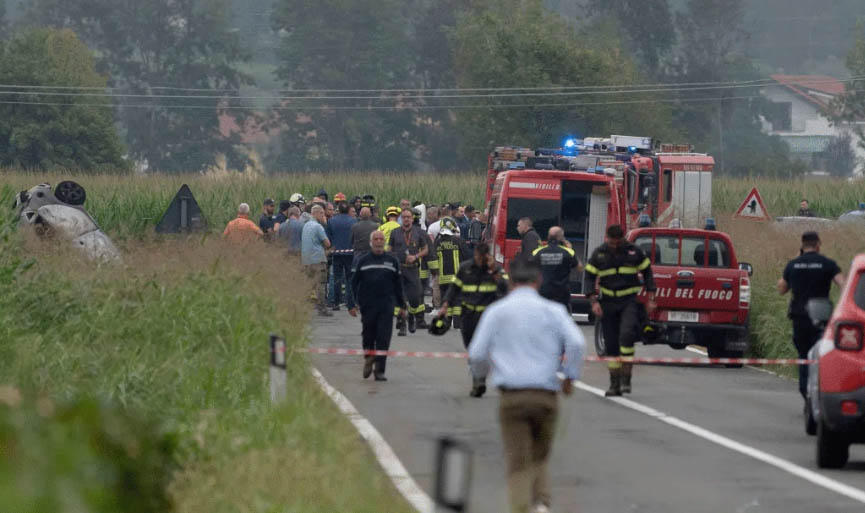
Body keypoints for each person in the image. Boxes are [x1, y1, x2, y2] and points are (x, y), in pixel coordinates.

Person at [468, 258, 584, 513]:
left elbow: (476, 353)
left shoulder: (497, 311)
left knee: (518, 462)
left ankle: (522, 508)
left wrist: (483, 376)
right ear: (538, 280)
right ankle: (541, 504)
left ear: (510, 281)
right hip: (546, 396)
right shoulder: (554, 310)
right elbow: (576, 343)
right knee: (539, 458)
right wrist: (569, 377)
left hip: (512, 397)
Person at [584, 225, 656, 397]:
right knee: (611, 345)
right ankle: (614, 383)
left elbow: (647, 272)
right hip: (608, 302)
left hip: (628, 301)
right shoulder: (599, 254)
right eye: (611, 242)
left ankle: (626, 379)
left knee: (627, 335)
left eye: (617, 242)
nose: (614, 246)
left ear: (622, 239)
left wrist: (651, 297)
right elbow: (589, 277)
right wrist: (593, 301)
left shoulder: (633, 252)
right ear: (606, 238)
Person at [778, 231, 845, 400]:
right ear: (818, 245)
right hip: (821, 317)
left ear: (802, 245)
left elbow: (781, 289)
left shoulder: (793, 265)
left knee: (803, 356)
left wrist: (797, 258)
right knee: (821, 356)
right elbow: (843, 285)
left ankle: (805, 390)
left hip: (800, 318)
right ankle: (821, 391)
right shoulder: (828, 264)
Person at [440, 242, 508, 397]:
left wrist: (493, 271)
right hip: (468, 314)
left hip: (487, 317)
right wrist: (446, 304)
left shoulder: (495, 269)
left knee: (483, 349)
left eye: (483, 257)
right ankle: (478, 375)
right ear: (475, 254)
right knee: (471, 347)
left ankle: (479, 380)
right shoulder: (465, 268)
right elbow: (454, 288)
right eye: (478, 256)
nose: (479, 259)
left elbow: (505, 288)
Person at [351, 231, 406, 382]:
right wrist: (352, 304)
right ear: (371, 242)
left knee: (383, 338)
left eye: (381, 239)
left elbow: (398, 285)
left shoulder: (392, 261)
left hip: (386, 306)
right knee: (368, 335)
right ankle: (369, 357)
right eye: (376, 239)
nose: (378, 241)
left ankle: (379, 370)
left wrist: (402, 306)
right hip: (368, 305)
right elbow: (354, 283)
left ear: (384, 242)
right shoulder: (363, 260)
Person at [388, 208, 429, 336]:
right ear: (401, 218)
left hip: (413, 269)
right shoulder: (395, 232)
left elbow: (425, 249)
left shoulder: (418, 233)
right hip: (399, 269)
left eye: (408, 217)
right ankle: (402, 325)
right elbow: (389, 248)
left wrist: (416, 256)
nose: (406, 219)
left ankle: (411, 316)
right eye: (404, 217)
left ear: (412, 218)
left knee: (414, 299)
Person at [429, 217, 471, 327]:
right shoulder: (458, 241)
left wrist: (434, 273)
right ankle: (457, 324)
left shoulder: (437, 243)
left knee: (446, 300)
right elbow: (467, 257)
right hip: (456, 278)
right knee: (457, 301)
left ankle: (447, 322)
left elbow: (433, 258)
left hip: (442, 279)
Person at [531, 227, 579, 311]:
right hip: (561, 295)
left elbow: (529, 269)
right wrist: (571, 249)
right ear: (561, 238)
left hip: (542, 293)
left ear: (548, 237)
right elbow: (579, 268)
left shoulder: (537, 252)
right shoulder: (568, 252)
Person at [302, 205, 332, 316]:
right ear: (317, 213)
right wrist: (324, 224)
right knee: (321, 284)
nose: (323, 216)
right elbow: (327, 243)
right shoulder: (318, 227)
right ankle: (322, 309)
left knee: (308, 285)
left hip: (306, 260)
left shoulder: (305, 226)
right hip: (318, 260)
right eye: (322, 214)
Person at [327, 202, 357, 311]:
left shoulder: (331, 221)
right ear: (349, 209)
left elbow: (328, 237)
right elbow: (355, 237)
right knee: (350, 279)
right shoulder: (354, 221)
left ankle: (336, 303)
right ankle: (350, 303)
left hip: (336, 253)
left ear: (338, 210)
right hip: (350, 253)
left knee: (337, 278)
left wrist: (333, 247)